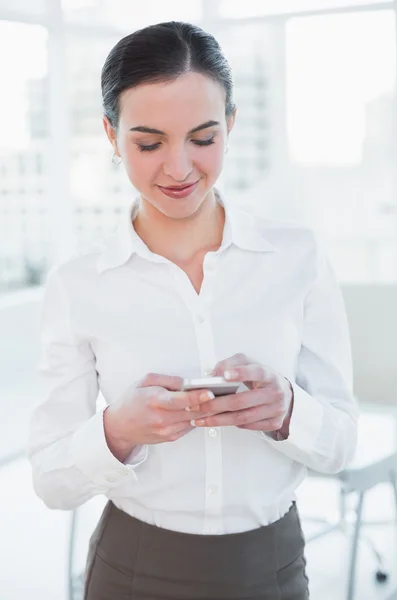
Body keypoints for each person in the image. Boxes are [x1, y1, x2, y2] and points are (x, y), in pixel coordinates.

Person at [28, 21, 358, 600]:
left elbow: (340, 444)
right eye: (149, 143)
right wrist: (119, 430)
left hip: (271, 567)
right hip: (133, 571)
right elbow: (51, 480)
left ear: (230, 123)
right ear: (111, 134)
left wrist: (286, 410)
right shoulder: (79, 284)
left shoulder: (297, 257)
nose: (179, 169)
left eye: (203, 138)